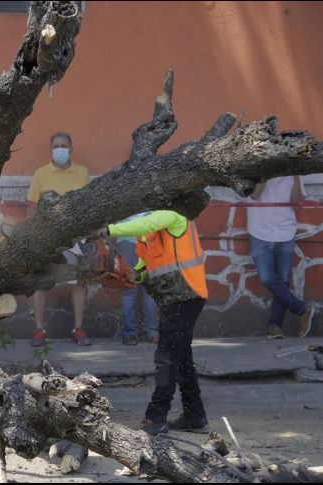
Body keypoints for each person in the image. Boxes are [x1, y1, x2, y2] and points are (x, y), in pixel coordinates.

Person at [102, 210, 209, 436]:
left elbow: (146, 224)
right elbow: (146, 264)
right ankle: (194, 414)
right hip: (173, 298)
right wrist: (135, 275)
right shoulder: (148, 232)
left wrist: (107, 230)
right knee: (181, 358)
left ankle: (156, 417)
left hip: (186, 295)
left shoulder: (175, 214)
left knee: (166, 358)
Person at [27, 131, 91, 347]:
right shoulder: (41, 174)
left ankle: (78, 329)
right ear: (51, 150)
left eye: (64, 145)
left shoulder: (82, 173)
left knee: (79, 281)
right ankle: (38, 330)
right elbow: (32, 207)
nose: (60, 149)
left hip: (76, 237)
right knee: (40, 282)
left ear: (71, 149)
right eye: (56, 146)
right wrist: (33, 235)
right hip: (47, 237)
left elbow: (89, 205)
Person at [247, 176, 314, 339]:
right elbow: (255, 195)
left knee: (283, 281)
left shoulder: (292, 170)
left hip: (285, 230)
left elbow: (296, 201)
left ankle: (275, 326)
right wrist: (265, 171)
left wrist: (297, 176)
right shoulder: (258, 168)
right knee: (268, 278)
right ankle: (302, 309)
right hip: (260, 231)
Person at [115, 212, 158, 345]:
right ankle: (151, 333)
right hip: (149, 236)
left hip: (128, 237)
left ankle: (130, 334)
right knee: (149, 288)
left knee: (129, 288)